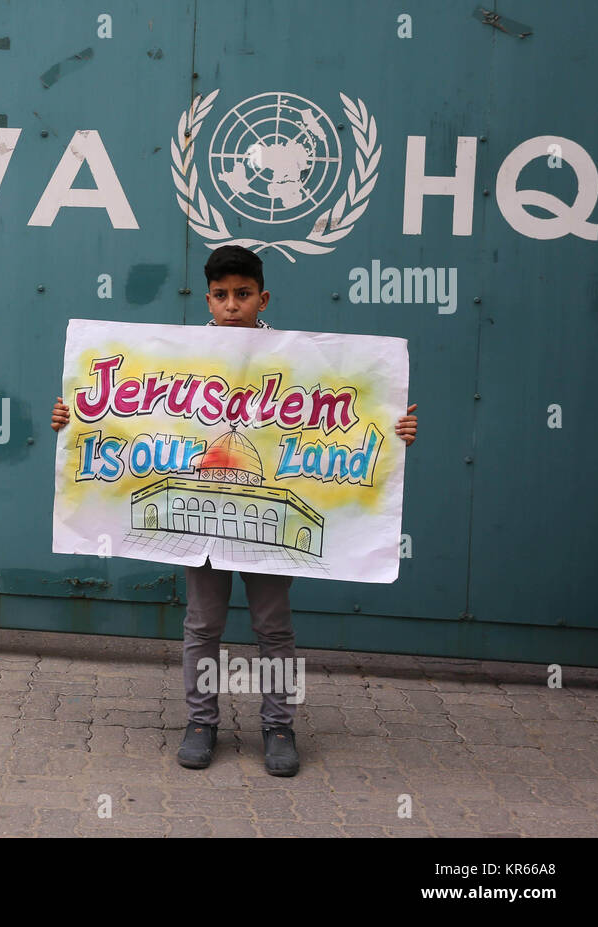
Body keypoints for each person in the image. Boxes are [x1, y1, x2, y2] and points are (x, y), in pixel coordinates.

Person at [50, 245, 418, 777]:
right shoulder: (180, 356)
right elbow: (119, 410)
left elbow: (360, 415)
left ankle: (278, 725)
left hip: (261, 519)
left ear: (261, 297)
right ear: (208, 298)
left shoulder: (295, 360)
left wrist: (397, 430)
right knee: (203, 624)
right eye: (220, 295)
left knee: (274, 627)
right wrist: (73, 416)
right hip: (204, 519)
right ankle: (201, 722)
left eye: (242, 295)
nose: (230, 306)